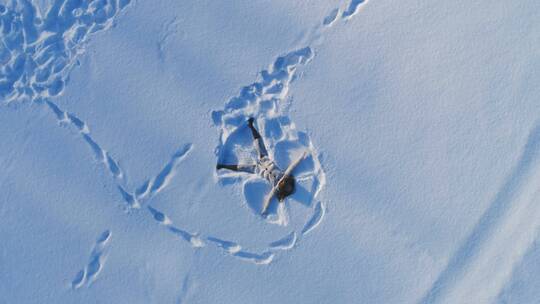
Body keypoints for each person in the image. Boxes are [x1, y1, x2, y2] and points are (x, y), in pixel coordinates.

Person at [217, 117, 296, 205]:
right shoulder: (284, 175)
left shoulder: (276, 187)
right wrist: (303, 155)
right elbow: (293, 166)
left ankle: (222, 166)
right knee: (258, 142)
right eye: (289, 186)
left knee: (241, 167)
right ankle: (251, 125)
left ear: (284, 189)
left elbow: (269, 199)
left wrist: (265, 209)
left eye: (286, 188)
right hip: (265, 159)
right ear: (288, 182)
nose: (286, 186)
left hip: (257, 169)